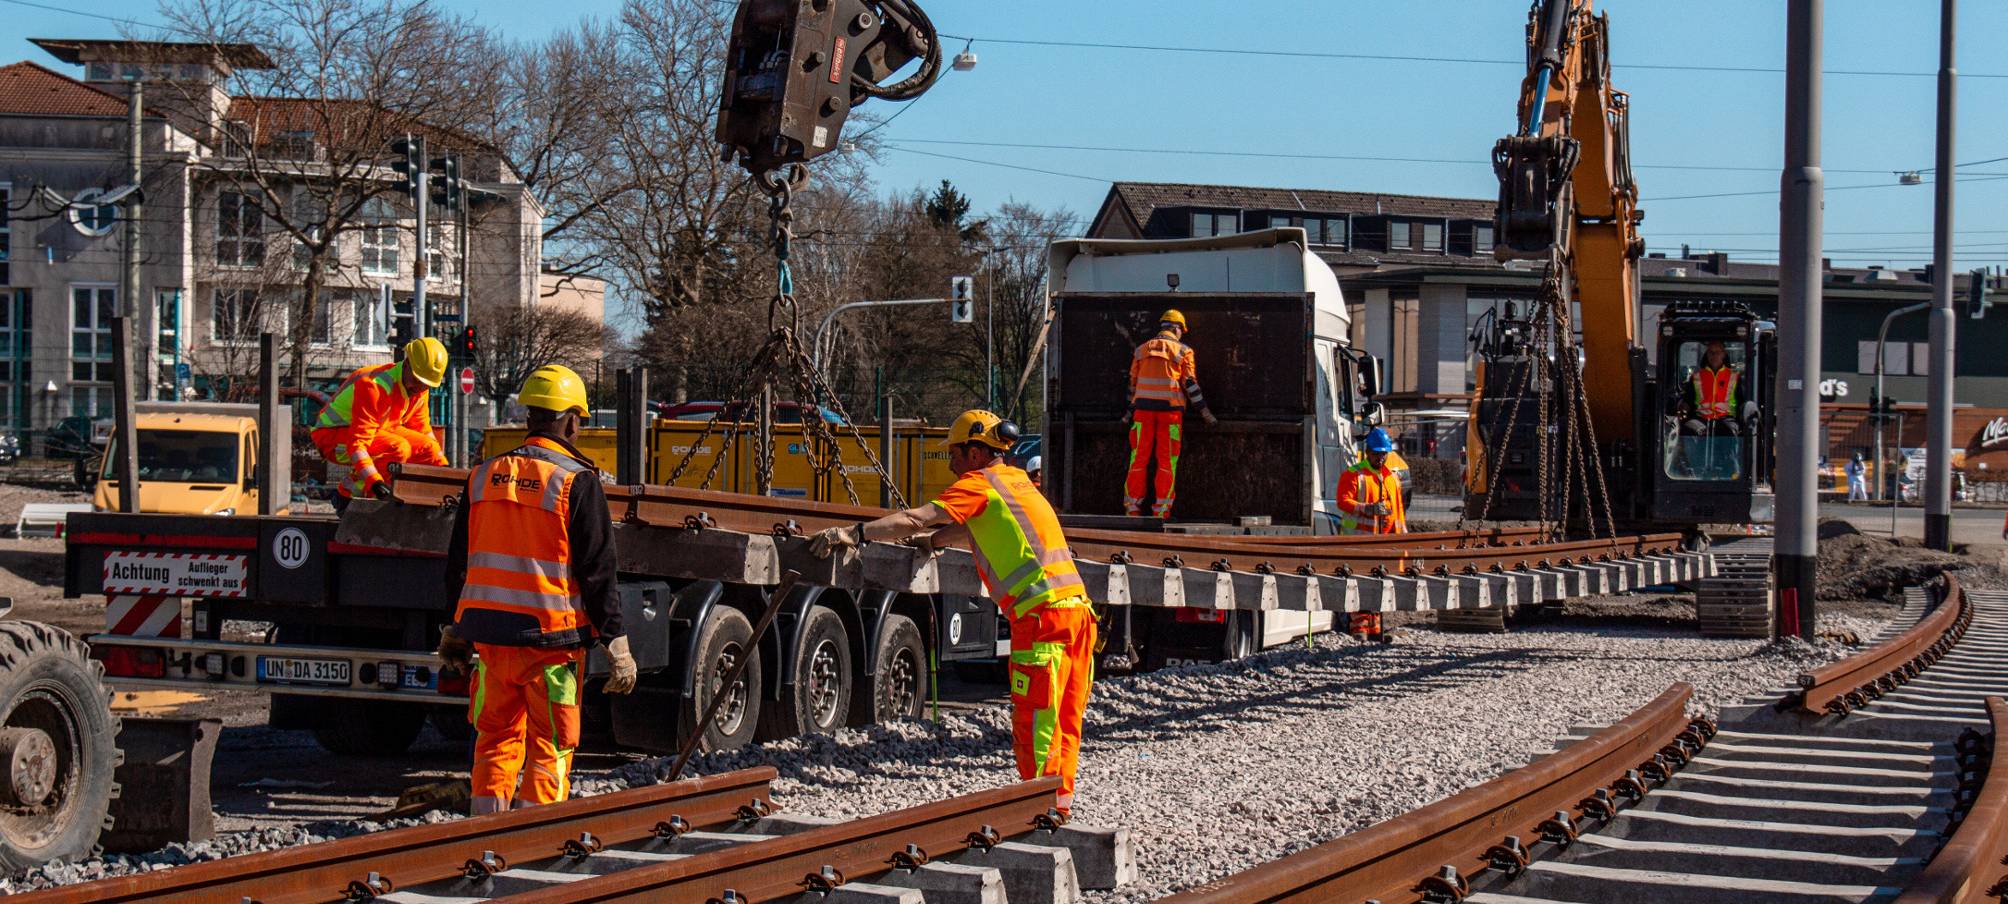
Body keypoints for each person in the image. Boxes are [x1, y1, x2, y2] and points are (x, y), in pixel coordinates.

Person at [809, 410, 1095, 817]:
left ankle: (1039, 812)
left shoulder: (978, 484)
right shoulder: (1016, 483)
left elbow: (913, 517)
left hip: (1041, 618)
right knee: (1065, 722)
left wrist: (855, 533)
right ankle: (1058, 809)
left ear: (977, 452)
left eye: (956, 454)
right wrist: (938, 541)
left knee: (1036, 724)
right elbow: (973, 525)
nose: (952, 464)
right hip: (1078, 615)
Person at [436, 364, 636, 815]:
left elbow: (458, 562)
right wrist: (616, 644)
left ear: (529, 418)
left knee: (494, 740)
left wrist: (453, 628)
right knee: (551, 745)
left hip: (490, 640)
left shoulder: (484, 475)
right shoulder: (576, 481)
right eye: (579, 422)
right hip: (551, 646)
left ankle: (484, 832)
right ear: (569, 421)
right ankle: (535, 841)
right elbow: (599, 570)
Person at [312, 337, 451, 509]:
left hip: (372, 433)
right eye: (417, 381)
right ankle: (350, 499)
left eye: (426, 385)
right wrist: (375, 482)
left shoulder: (418, 389)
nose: (419, 388)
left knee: (428, 448)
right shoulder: (375, 387)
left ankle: (426, 502)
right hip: (331, 438)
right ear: (406, 364)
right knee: (398, 448)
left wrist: (445, 472)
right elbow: (357, 446)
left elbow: (423, 431)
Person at [1124, 309, 1216, 518]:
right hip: (1170, 415)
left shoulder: (1141, 350)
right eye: (1181, 330)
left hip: (1142, 413)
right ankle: (1161, 511)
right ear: (1176, 328)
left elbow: (1132, 385)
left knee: (1138, 459)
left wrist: (1128, 413)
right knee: (1167, 462)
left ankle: (1132, 509)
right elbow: (1190, 385)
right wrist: (1205, 412)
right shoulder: (1184, 351)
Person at [1336, 428, 1406, 639]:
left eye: (1384, 453)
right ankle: (1359, 627)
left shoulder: (1392, 478)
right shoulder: (1355, 474)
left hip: (1382, 544)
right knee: (1360, 584)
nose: (1381, 457)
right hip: (1357, 544)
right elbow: (1343, 501)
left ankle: (1374, 628)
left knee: (1379, 584)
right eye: (1377, 453)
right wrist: (1367, 508)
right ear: (1367, 452)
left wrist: (1402, 539)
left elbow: (1398, 511)